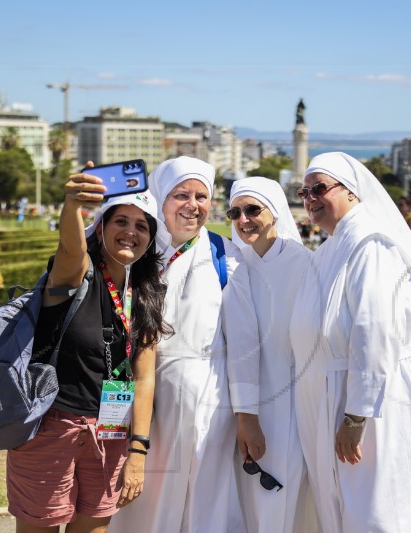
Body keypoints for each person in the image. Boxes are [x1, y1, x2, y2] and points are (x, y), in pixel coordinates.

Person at [289, 152, 411, 533]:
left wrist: (356, 415)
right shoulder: (330, 247)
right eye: (303, 191)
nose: (310, 198)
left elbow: (374, 332)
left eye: (320, 188)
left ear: (352, 192)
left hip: (380, 402)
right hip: (342, 394)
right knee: (353, 511)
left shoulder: (371, 244)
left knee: (382, 512)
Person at [6, 169, 171, 533]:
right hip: (51, 430)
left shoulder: (146, 294)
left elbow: (144, 379)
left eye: (142, 226)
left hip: (110, 435)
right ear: (100, 227)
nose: (131, 231)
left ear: (151, 239)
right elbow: (69, 247)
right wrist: (73, 206)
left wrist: (138, 452)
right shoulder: (77, 273)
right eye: (121, 221)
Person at [110, 156, 258, 533]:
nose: (192, 205)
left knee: (206, 500)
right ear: (160, 197)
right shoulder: (135, 250)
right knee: (141, 498)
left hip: (209, 397)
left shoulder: (226, 254)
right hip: (142, 398)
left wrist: (246, 412)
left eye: (201, 196)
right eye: (181, 195)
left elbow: (243, 341)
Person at [226, 177, 318, 533]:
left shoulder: (306, 263)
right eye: (235, 211)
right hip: (244, 399)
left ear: (276, 211)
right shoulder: (235, 265)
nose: (244, 219)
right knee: (251, 496)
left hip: (295, 397)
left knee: (288, 488)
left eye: (253, 209)